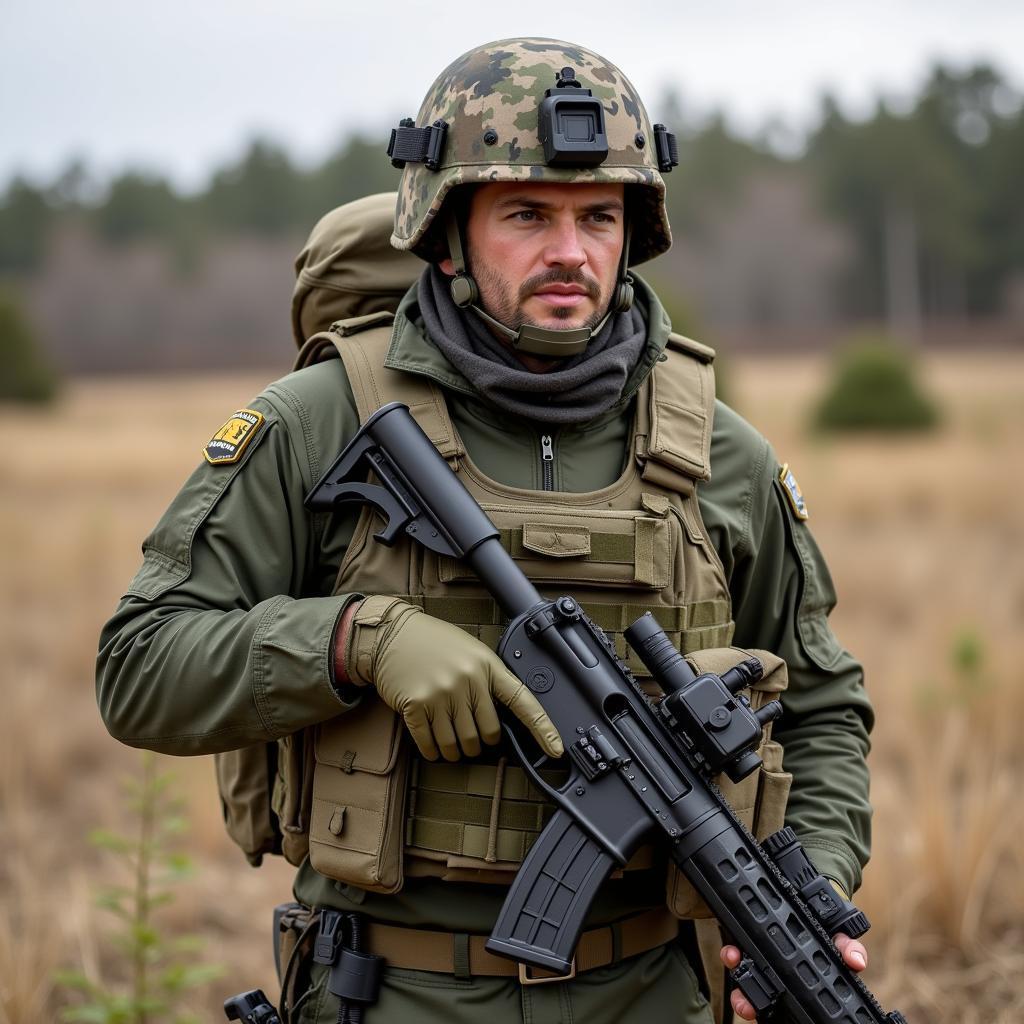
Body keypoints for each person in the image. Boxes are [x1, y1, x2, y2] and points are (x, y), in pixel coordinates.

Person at [97, 38, 873, 1024]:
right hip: (391, 992)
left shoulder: (722, 454)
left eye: (599, 217)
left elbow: (819, 704)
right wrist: (354, 642)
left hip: (653, 992)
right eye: (525, 215)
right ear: (445, 230)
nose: (569, 251)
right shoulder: (319, 420)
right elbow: (139, 665)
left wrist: (798, 902)